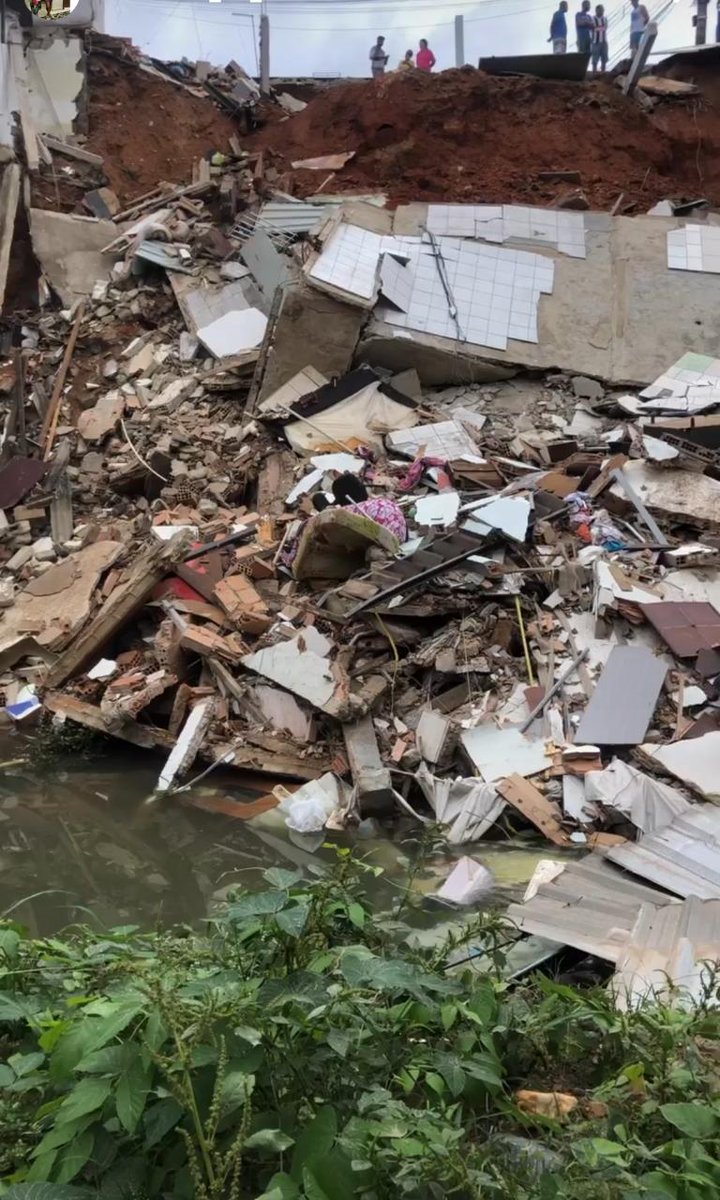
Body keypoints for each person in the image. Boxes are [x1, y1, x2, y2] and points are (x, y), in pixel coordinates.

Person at [591, 4, 609, 72]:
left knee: (604, 59)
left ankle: (603, 73)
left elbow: (605, 27)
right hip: (596, 42)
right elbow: (593, 28)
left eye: (602, 10)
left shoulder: (605, 19)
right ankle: (594, 74)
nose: (602, 11)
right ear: (596, 10)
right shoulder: (593, 18)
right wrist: (600, 28)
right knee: (595, 60)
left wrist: (597, 28)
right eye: (600, 10)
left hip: (604, 41)